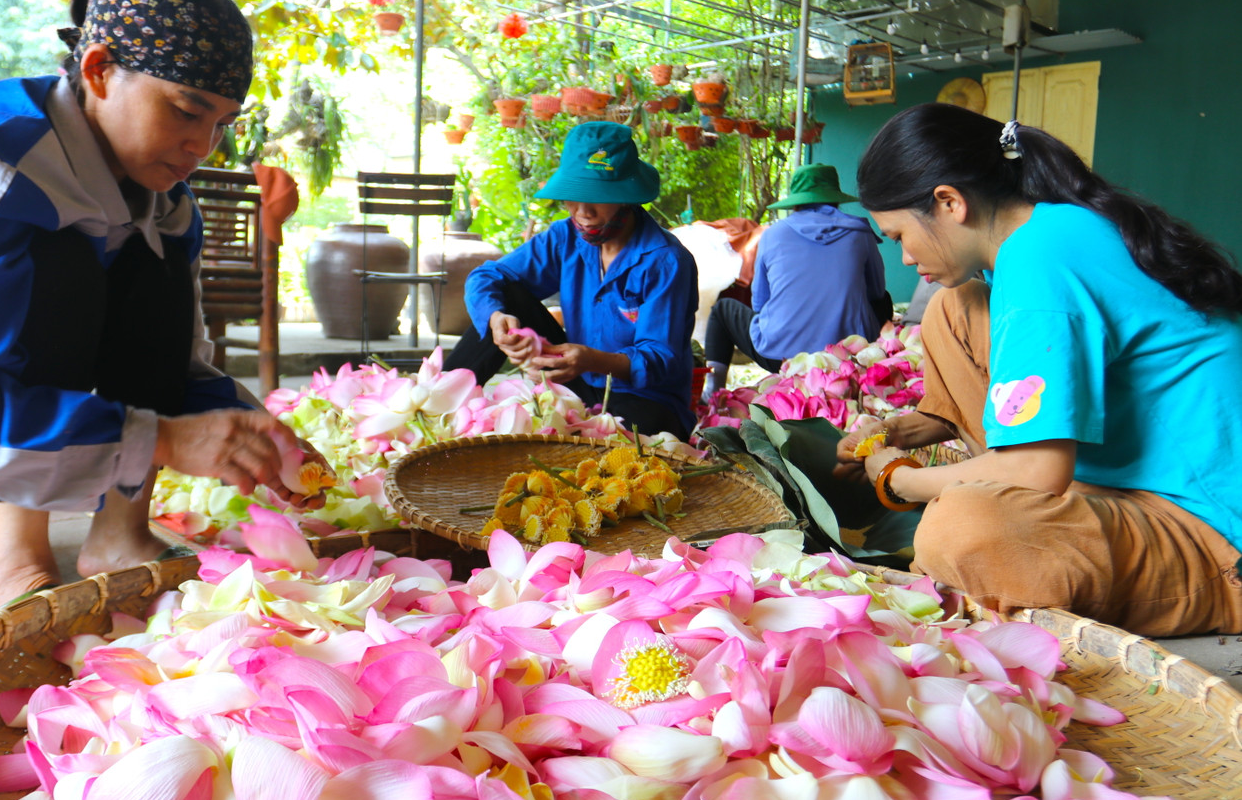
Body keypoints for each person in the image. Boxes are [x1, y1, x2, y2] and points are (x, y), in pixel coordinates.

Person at [0, 0, 326, 612]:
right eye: (186, 111)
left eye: (220, 124)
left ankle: (119, 537)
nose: (202, 145)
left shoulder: (169, 203)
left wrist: (258, 436)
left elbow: (174, 364)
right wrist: (163, 442)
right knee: (63, 257)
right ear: (99, 70)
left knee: (144, 256)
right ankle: (15, 560)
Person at [835, 102, 1242, 637]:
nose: (905, 259)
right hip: (1132, 479)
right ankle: (976, 463)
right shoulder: (1057, 227)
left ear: (950, 202)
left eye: (899, 237)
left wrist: (899, 479)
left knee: (960, 530)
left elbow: (1038, 473)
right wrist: (906, 429)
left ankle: (984, 488)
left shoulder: (1037, 264)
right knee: (954, 307)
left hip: (1213, 534)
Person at [444, 122, 700, 437]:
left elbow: (661, 359)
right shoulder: (564, 237)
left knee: (631, 442)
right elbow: (487, 276)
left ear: (626, 197)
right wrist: (497, 319)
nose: (581, 211)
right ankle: (442, 402)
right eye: (572, 197)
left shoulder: (666, 261)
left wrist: (593, 360)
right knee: (503, 294)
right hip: (578, 384)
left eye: (596, 197)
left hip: (645, 399)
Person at [701, 163, 887, 401]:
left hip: (781, 356)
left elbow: (759, 303)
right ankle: (874, 374)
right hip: (847, 356)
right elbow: (877, 292)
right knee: (883, 301)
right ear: (835, 199)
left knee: (723, 309)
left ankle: (712, 392)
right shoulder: (860, 232)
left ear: (796, 202)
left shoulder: (771, 234)